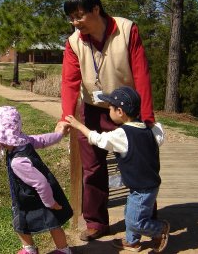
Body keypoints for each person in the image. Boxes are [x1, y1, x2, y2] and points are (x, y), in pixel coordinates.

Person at [58, 0, 156, 241]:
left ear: (96, 9)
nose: (75, 22)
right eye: (71, 18)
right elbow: (69, 82)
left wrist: (147, 119)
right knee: (92, 169)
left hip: (127, 112)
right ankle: (96, 222)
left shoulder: (126, 30)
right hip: (91, 110)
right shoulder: (74, 42)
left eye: (79, 16)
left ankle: (145, 217)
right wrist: (66, 117)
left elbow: (141, 74)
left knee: (140, 165)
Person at [65, 86, 169, 253]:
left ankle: (160, 230)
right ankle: (131, 241)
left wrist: (79, 125)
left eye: (110, 108)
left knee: (136, 221)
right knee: (130, 213)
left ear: (120, 111)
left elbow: (97, 139)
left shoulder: (122, 135)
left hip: (141, 189)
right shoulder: (151, 130)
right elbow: (160, 132)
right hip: (149, 185)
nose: (109, 111)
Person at [0, 106, 73, 254]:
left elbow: (41, 183)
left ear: (1, 138)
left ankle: (64, 250)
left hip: (39, 196)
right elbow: (42, 140)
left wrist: (50, 203)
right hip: (26, 196)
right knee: (21, 223)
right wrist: (58, 135)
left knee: (53, 223)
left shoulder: (18, 162)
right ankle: (29, 249)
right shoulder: (23, 141)